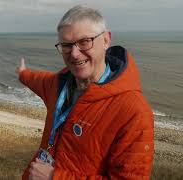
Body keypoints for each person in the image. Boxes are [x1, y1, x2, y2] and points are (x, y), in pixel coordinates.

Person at [16, 5, 154, 180]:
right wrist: (22, 74)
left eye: (84, 42)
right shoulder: (59, 83)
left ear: (106, 40)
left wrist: (54, 177)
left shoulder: (134, 111)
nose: (74, 54)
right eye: (66, 45)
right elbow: (36, 79)